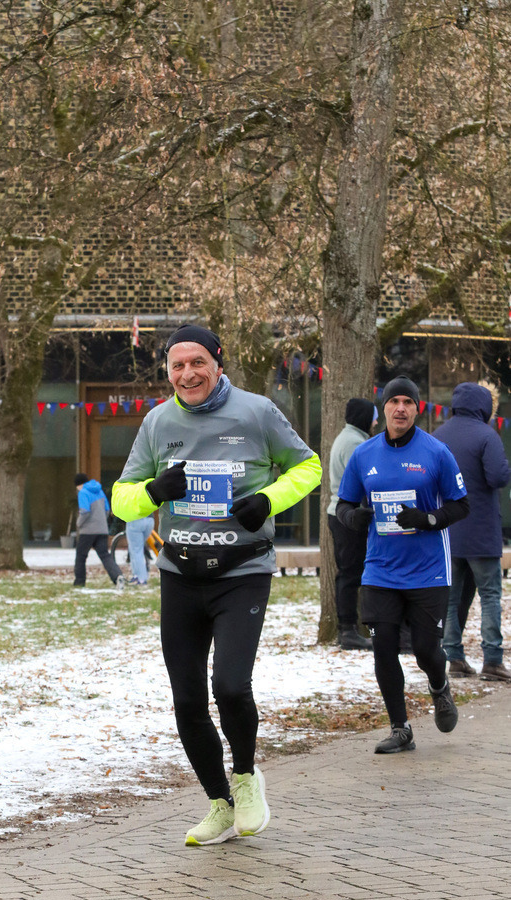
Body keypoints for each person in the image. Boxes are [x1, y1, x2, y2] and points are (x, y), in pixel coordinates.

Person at [112, 324, 322, 845]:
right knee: (187, 700)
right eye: (178, 366)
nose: (188, 374)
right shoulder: (159, 421)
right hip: (180, 575)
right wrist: (152, 491)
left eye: (198, 362)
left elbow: (309, 466)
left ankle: (247, 779)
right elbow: (122, 497)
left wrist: (270, 500)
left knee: (229, 685)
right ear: (168, 372)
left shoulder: (256, 412)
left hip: (241, 573)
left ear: (218, 364)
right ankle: (219, 804)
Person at [337, 375, 469, 754]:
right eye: (393, 401)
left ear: (417, 409)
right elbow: (344, 504)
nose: (400, 408)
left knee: (427, 650)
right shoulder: (365, 454)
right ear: (384, 408)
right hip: (380, 569)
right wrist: (354, 518)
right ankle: (400, 728)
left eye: (407, 402)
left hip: (429, 570)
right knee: (383, 650)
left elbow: (462, 505)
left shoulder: (437, 452)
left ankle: (439, 687)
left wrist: (425, 520)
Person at [434, 382, 511, 681]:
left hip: (449, 530)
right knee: (490, 595)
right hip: (481, 530)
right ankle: (492, 659)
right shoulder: (486, 435)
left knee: (451, 598)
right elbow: (497, 476)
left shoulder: (439, 435)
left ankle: (453, 657)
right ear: (484, 406)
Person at [327, 398, 378, 650]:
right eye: (373, 416)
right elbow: (364, 482)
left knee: (350, 572)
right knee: (350, 574)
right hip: (348, 516)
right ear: (364, 417)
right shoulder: (355, 443)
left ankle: (350, 628)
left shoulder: (348, 438)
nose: (376, 422)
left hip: (343, 515)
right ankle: (347, 630)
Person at [73, 474, 125, 590]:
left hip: (87, 531)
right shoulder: (99, 491)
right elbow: (107, 510)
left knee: (81, 556)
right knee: (105, 555)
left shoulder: (83, 492)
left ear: (79, 485)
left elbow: (85, 511)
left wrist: (78, 523)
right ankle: (117, 576)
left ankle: (79, 582)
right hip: (102, 530)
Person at [125, 513, 155, 584]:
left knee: (136, 550)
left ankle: (141, 578)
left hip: (135, 520)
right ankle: (137, 575)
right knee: (138, 548)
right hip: (150, 520)